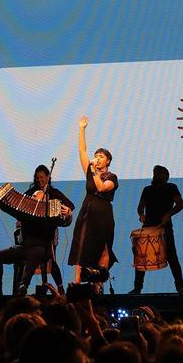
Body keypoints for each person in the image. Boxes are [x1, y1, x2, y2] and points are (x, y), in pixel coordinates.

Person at [0, 165, 74, 296]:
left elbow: (66, 222)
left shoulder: (51, 213)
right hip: (25, 248)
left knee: (34, 253)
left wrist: (68, 214)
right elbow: (7, 207)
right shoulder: (24, 211)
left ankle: (23, 285)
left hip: (43, 249)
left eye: (42, 177)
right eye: (33, 198)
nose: (35, 201)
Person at [67, 116, 118, 283]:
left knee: (103, 248)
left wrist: (94, 171)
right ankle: (77, 285)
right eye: (96, 155)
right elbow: (82, 151)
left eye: (101, 156)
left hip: (103, 216)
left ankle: (99, 283)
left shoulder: (112, 176)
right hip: (87, 213)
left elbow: (102, 188)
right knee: (82, 247)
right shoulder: (90, 172)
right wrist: (81, 129)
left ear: (108, 161)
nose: (97, 158)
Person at [129, 165, 183, 294]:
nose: (155, 175)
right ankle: (137, 288)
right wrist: (141, 215)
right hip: (148, 226)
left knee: (172, 256)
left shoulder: (171, 187)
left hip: (165, 227)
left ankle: (180, 286)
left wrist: (168, 214)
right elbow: (140, 207)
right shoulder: (147, 189)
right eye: (154, 173)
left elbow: (180, 204)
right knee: (141, 256)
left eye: (159, 173)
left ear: (166, 176)